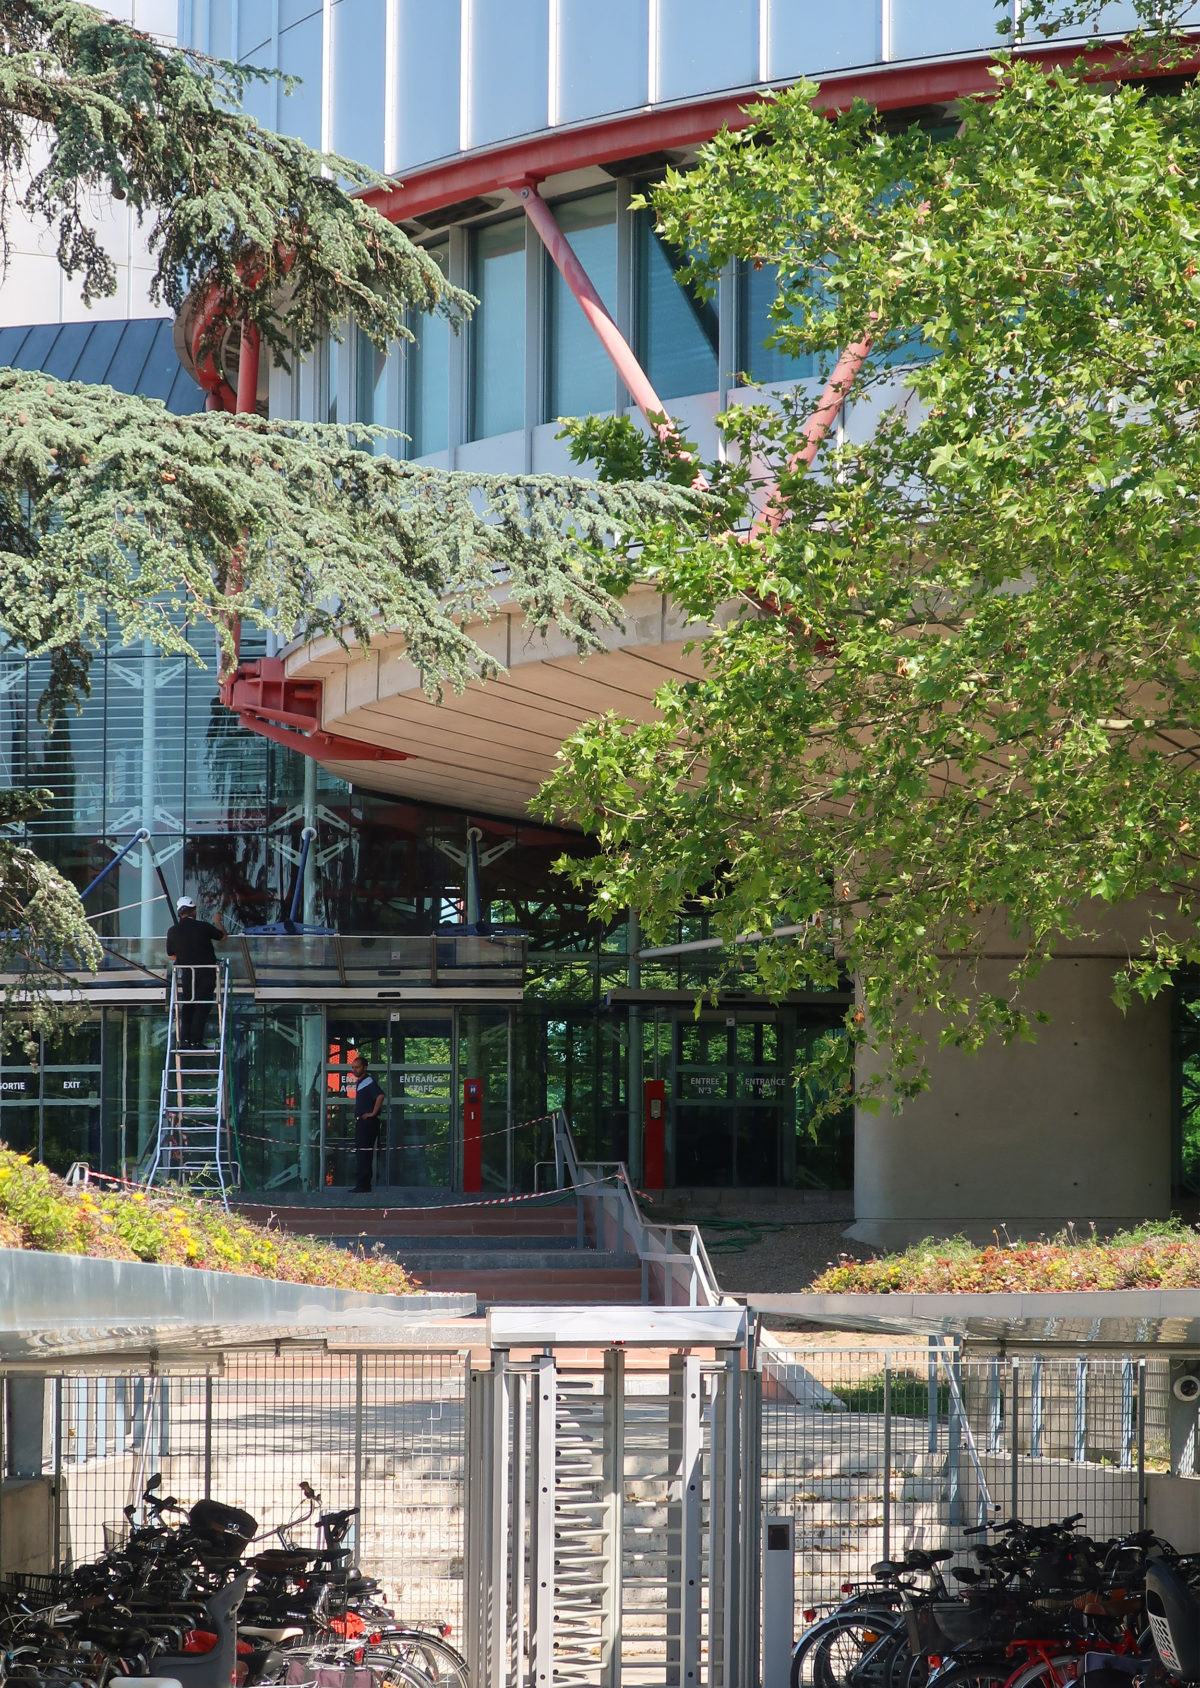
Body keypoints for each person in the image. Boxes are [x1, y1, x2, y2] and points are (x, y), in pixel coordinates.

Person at [166, 895, 227, 1049]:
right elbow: (223, 937)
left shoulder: (173, 931)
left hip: (187, 974)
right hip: (206, 973)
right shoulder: (203, 927)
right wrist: (217, 921)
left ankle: (185, 1041)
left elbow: (171, 955)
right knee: (202, 1005)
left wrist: (184, 953)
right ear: (194, 911)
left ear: (180, 913)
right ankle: (195, 1041)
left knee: (188, 1005)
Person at [350, 1054, 385, 1193]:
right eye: (353, 1067)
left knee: (364, 1153)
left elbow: (380, 1096)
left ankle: (363, 1185)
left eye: (357, 1067)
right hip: (362, 1122)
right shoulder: (361, 1082)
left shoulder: (368, 1081)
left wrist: (372, 1113)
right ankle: (362, 1184)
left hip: (367, 1122)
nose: (355, 1070)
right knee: (361, 1153)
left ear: (365, 1067)